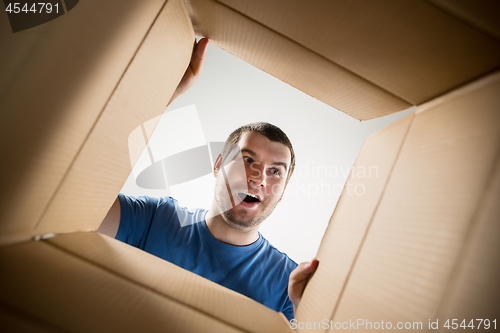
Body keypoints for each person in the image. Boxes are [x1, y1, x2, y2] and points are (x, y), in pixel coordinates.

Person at [97, 38, 319, 322]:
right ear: (218, 165)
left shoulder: (290, 286)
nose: (258, 178)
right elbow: (74, 200)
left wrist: (309, 316)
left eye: (275, 171)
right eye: (247, 160)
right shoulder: (153, 219)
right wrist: (160, 93)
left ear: (283, 190)